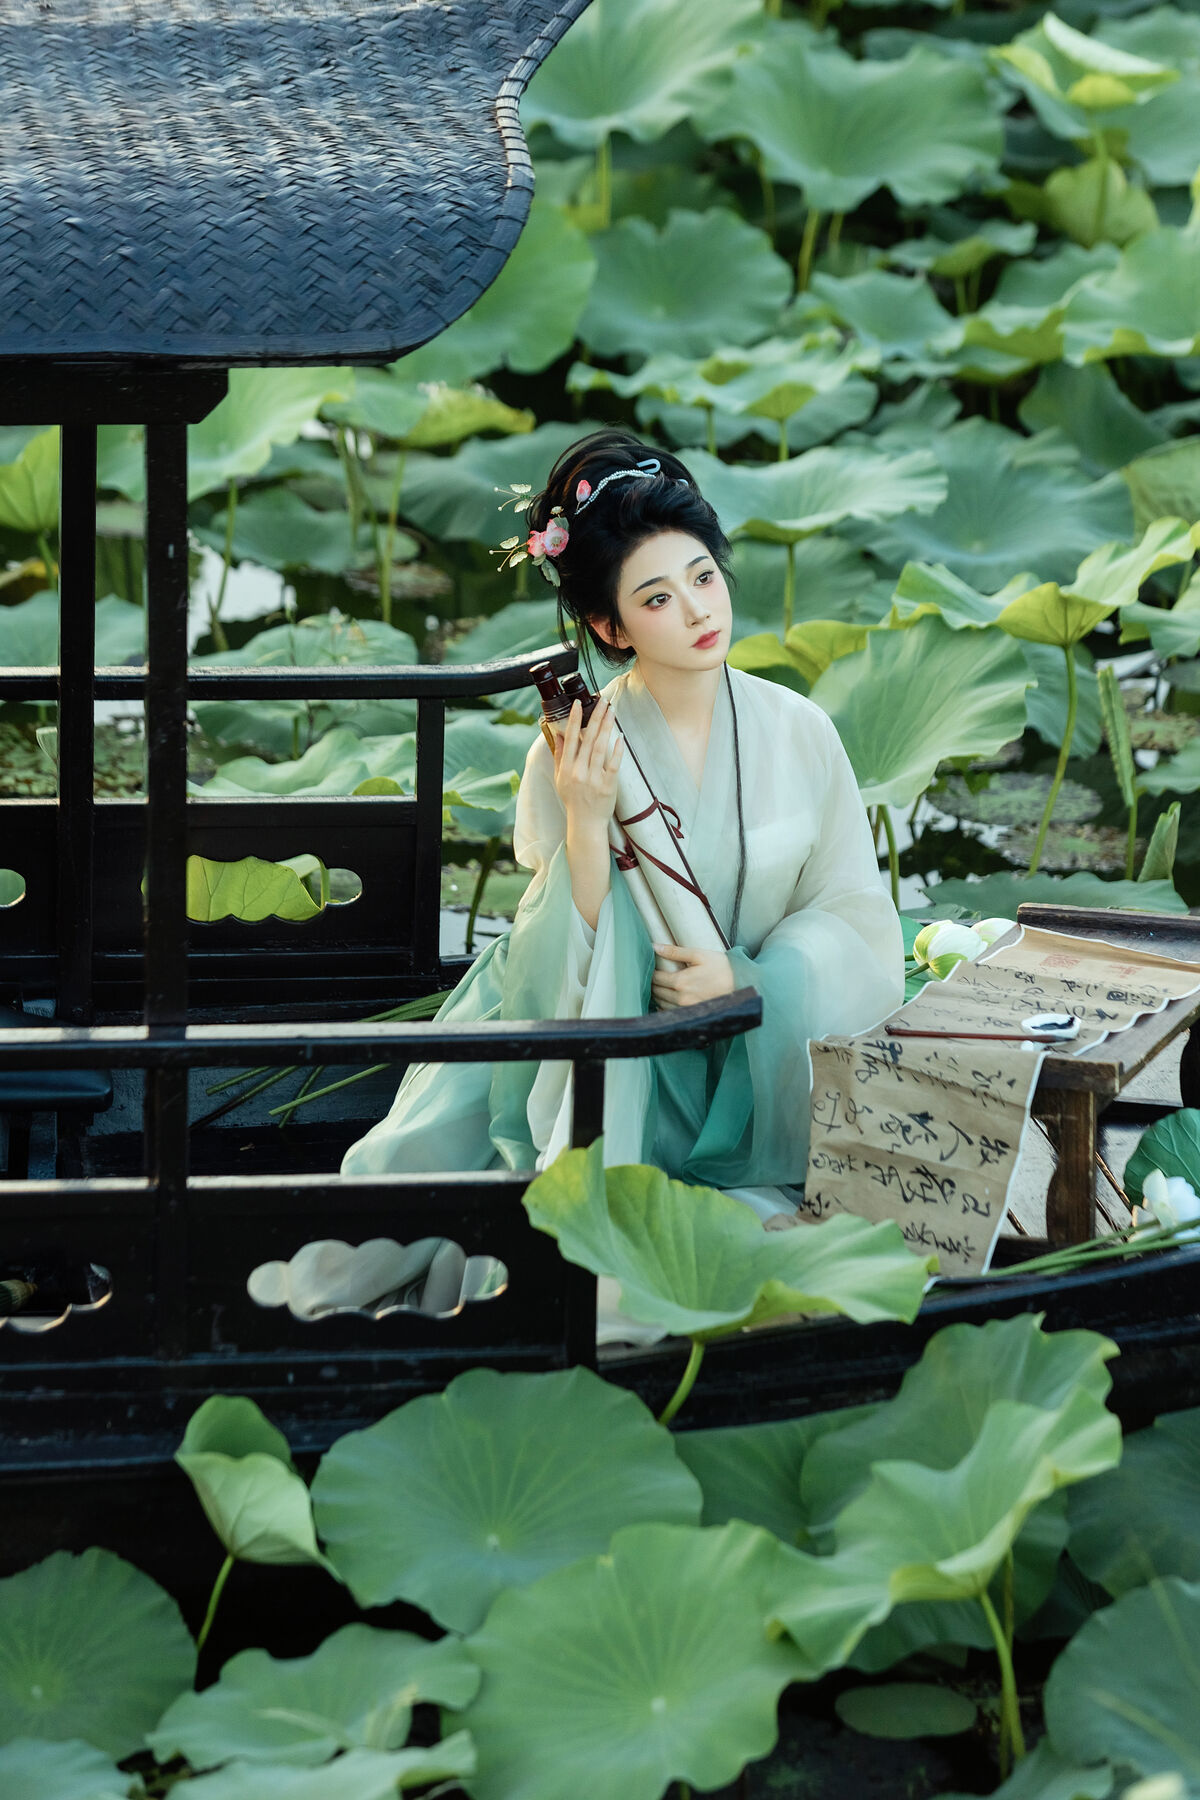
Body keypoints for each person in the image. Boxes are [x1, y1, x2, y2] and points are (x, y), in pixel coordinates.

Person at [341, 428, 904, 1281]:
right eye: (658, 598)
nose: (699, 611)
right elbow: (556, 962)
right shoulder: (574, 749)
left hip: (755, 1040)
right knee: (429, 1235)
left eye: (704, 578)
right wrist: (584, 819)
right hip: (613, 1043)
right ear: (610, 625)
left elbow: (854, 916)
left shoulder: (802, 729)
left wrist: (746, 983)